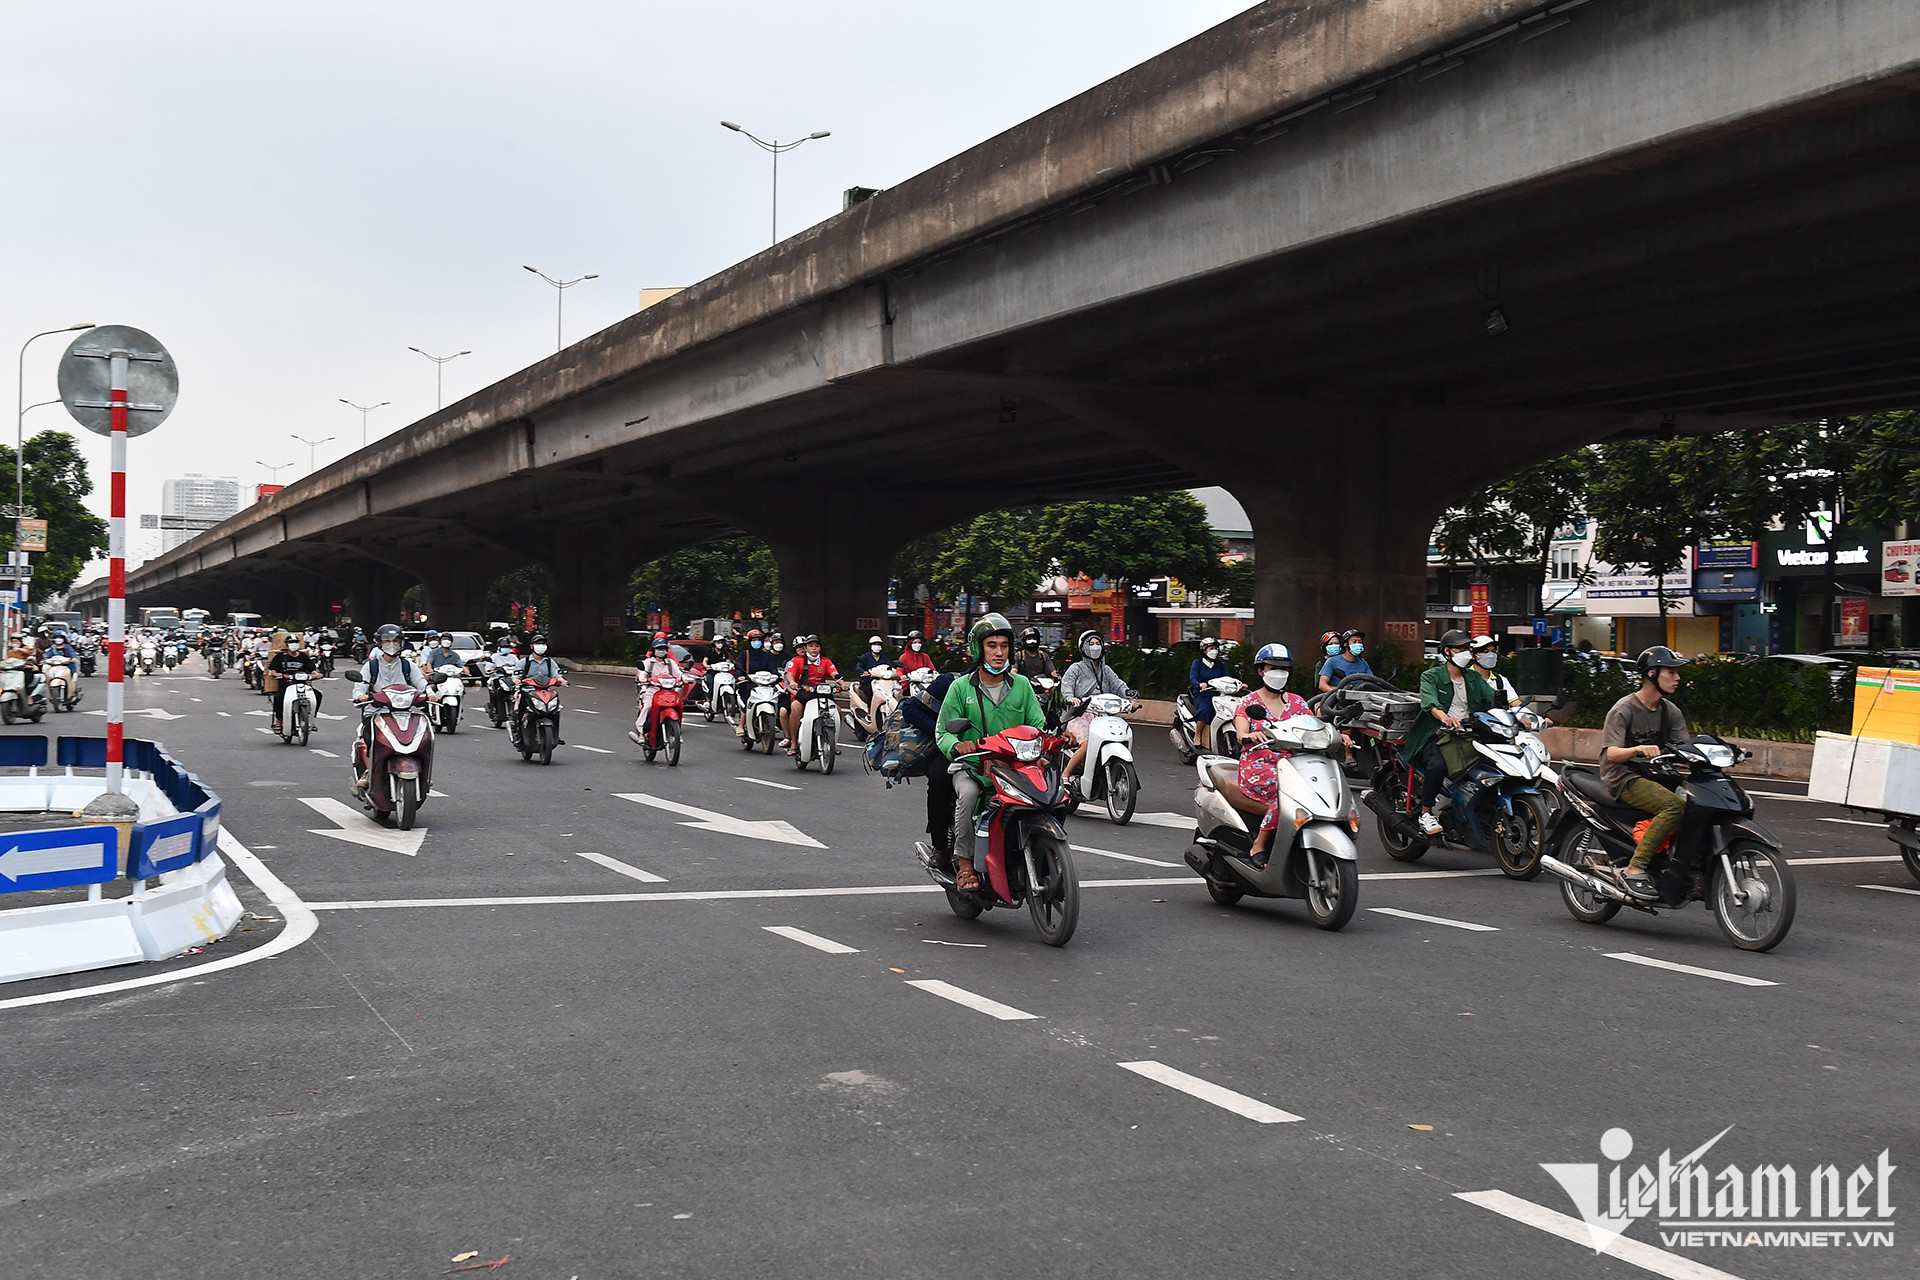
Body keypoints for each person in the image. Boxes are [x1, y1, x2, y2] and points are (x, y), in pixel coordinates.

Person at [934, 613, 1046, 892]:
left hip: (1014, 769)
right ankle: (965, 864)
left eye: (1004, 645)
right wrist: (958, 745)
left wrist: (1048, 743)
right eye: (992, 645)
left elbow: (1037, 724)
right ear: (978, 649)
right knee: (970, 795)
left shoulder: (1022, 686)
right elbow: (942, 732)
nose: (999, 652)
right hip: (972, 768)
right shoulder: (961, 688)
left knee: (1051, 797)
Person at [1600, 646, 1693, 899]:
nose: (1677, 678)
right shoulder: (1624, 709)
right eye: (1671, 672)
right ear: (1652, 674)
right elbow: (1611, 754)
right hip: (1624, 776)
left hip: (1658, 773)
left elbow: (1685, 747)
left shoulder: (1670, 711)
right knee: (1673, 806)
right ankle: (1635, 867)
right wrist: (1638, 749)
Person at [1400, 629, 1498, 837]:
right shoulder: (1431, 676)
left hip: (1469, 735)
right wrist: (1444, 717)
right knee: (1438, 767)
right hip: (1437, 734)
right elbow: (1429, 702)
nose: (1466, 652)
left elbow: (1493, 699)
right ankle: (1426, 813)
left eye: (1467, 648)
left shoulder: (1473, 677)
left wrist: (1517, 715)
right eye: (1460, 648)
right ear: (1448, 652)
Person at [1233, 644, 1315, 866]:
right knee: (1287, 797)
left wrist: (1337, 735)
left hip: (1294, 764)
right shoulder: (1248, 702)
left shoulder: (1298, 703)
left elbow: (1313, 725)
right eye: (1273, 668)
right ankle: (1259, 844)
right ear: (1261, 671)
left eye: (1284, 669)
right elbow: (1241, 733)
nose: (1279, 673)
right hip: (1258, 764)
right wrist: (1250, 736)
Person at [350, 624, 429, 794]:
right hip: (376, 712)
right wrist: (361, 695)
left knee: (425, 734)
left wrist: (431, 693)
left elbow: (422, 684)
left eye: (396, 641)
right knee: (370, 736)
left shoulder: (408, 666)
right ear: (379, 643)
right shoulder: (371, 666)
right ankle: (368, 771)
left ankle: (425, 773)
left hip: (404, 712)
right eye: (387, 641)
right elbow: (360, 687)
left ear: (401, 643)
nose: (391, 644)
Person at [1060, 628, 1135, 786]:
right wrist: (1071, 698)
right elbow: (1066, 686)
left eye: (1098, 643)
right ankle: (1066, 774)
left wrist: (1130, 698)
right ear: (1084, 648)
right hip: (1081, 714)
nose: (1095, 647)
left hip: (1103, 715)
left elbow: (1118, 685)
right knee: (1087, 744)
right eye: (1091, 644)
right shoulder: (1076, 668)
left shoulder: (1106, 670)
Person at [780, 635, 839, 755]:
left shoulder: (825, 661)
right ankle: (794, 742)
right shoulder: (796, 661)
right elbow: (790, 675)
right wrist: (792, 682)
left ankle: (833, 743)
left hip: (822, 692)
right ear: (806, 648)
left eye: (816, 646)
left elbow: (835, 674)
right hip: (804, 692)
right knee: (795, 708)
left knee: (838, 711)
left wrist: (842, 683)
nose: (814, 649)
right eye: (810, 646)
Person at [630, 635, 687, 748]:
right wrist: (643, 678)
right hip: (653, 690)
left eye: (663, 649)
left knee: (679, 705)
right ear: (654, 650)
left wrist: (684, 678)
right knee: (647, 706)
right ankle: (641, 732)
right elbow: (643, 673)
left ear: (667, 650)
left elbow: (679, 674)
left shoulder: (671, 663)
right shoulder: (648, 662)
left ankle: (677, 731)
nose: (661, 651)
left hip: (669, 691)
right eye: (659, 649)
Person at [267, 632, 324, 734]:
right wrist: (278, 675)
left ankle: (311, 720)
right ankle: (279, 721)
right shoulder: (281, 657)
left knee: (318, 695)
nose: (293, 644)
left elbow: (312, 670)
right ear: (287, 644)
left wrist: (316, 675)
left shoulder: (303, 657)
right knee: (279, 697)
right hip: (286, 684)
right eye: (291, 642)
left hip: (303, 684)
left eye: (295, 642)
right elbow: (273, 671)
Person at [1187, 637, 1232, 751]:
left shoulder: (1220, 665)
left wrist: (1239, 684)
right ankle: (1198, 735)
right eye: (1211, 648)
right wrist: (1199, 684)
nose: (1214, 651)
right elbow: (1192, 678)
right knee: (1205, 709)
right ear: (1204, 650)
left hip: (1218, 694)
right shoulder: (1197, 663)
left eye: (1216, 648)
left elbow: (1227, 677)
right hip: (1202, 694)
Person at [852, 635, 892, 727]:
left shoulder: (884, 657)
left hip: (881, 681)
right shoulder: (865, 656)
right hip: (868, 681)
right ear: (870, 646)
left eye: (878, 644)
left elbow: (889, 666)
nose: (877, 646)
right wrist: (864, 672)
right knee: (872, 693)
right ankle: (869, 712)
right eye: (874, 644)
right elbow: (858, 666)